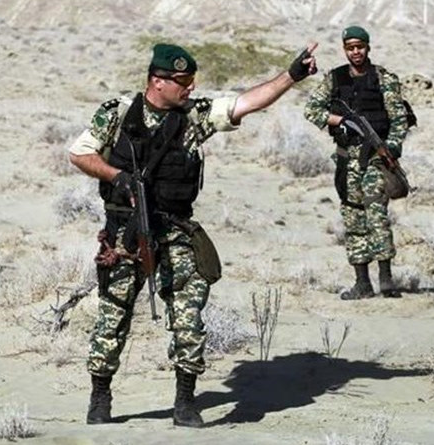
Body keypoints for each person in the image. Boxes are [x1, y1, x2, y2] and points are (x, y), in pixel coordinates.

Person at [68, 42, 317, 427]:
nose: (191, 87)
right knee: (112, 318)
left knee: (189, 318)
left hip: (176, 233)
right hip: (125, 237)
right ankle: (100, 397)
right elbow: (80, 153)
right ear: (157, 81)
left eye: (192, 80)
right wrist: (118, 177)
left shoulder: (194, 116)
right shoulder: (117, 113)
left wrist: (291, 75)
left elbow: (245, 103)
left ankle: (185, 401)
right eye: (183, 81)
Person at [304, 25, 409, 300]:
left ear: (368, 47)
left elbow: (399, 119)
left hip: (376, 157)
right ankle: (362, 282)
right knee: (353, 218)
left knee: (376, 214)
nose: (356, 52)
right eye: (350, 48)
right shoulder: (335, 79)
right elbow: (311, 109)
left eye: (360, 47)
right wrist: (341, 121)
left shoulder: (383, 79)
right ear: (344, 49)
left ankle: (386, 280)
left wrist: (392, 147)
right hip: (346, 159)